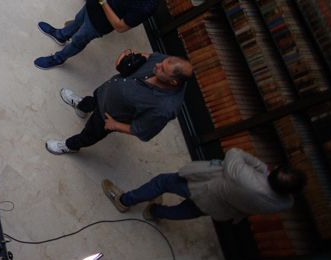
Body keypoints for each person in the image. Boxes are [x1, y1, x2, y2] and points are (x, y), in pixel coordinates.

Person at [45, 50, 192, 155]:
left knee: (89, 135)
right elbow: (149, 56)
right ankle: (81, 106)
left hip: (108, 116)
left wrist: (115, 125)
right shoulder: (164, 62)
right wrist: (128, 56)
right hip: (106, 90)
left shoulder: (164, 108)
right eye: (162, 62)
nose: (157, 65)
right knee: (91, 100)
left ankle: (69, 146)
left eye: (162, 69)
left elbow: (142, 130)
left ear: (173, 82)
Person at [103, 150, 305, 222]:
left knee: (162, 182)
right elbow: (289, 200)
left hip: (203, 187)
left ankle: (124, 200)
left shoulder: (245, 176)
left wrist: (261, 167)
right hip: (221, 207)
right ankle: (154, 212)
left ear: (274, 171)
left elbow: (234, 153)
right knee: (185, 211)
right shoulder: (284, 203)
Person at [34, 0, 163, 68]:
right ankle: (61, 35)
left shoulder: (147, 6)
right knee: (78, 20)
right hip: (92, 4)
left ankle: (58, 59)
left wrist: (102, 0)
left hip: (98, 24)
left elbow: (120, 27)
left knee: (78, 41)